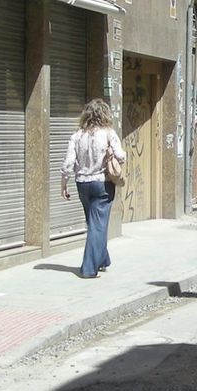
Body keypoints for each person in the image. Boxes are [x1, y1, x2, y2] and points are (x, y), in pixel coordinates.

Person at [61, 99, 125, 279]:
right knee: (97, 225)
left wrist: (63, 184)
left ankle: (103, 259)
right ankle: (89, 268)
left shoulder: (77, 136)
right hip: (102, 183)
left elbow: (68, 164)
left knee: (94, 222)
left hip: (82, 184)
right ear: (104, 114)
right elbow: (121, 156)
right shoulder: (108, 133)